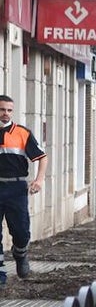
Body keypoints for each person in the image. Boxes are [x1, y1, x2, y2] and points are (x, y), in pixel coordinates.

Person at [0, 94, 47, 284]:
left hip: (16, 188)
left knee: (21, 231)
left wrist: (39, 180)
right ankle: (1, 277)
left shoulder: (22, 133)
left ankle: (20, 254)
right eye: (2, 109)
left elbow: (42, 157)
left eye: (9, 110)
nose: (6, 114)